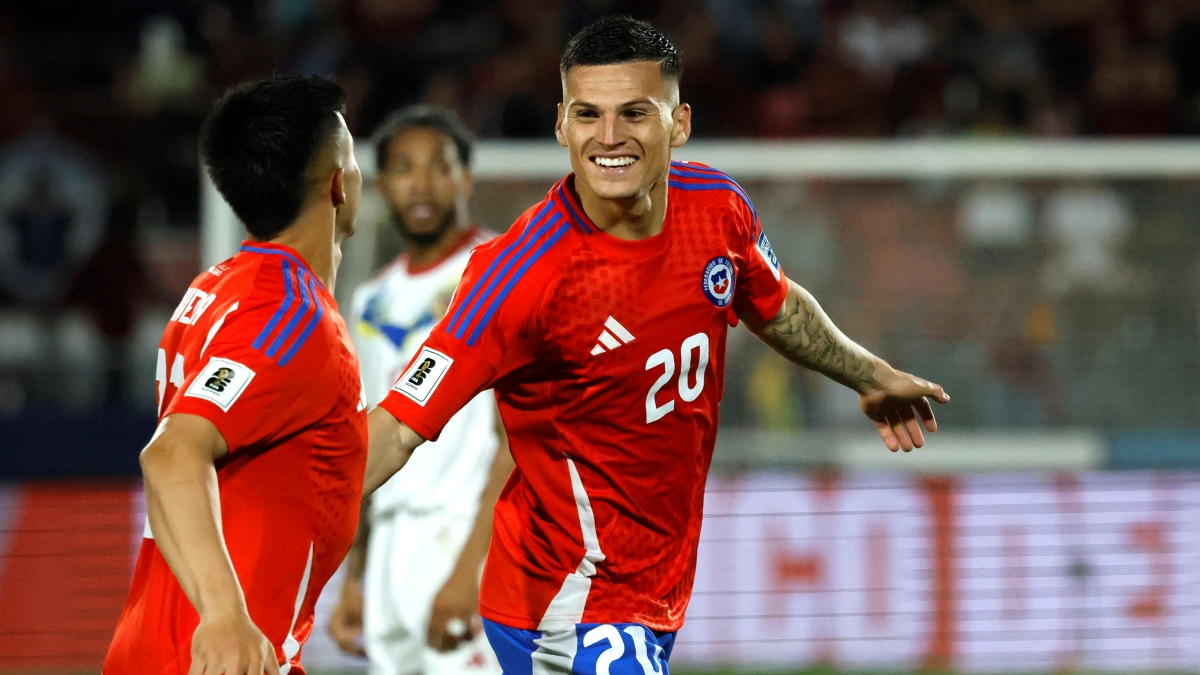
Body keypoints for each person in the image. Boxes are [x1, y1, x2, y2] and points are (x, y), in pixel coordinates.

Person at [358, 16, 949, 674]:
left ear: (679, 123)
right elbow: (397, 427)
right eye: (588, 114)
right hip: (567, 601)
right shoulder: (520, 275)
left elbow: (776, 306)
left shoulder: (717, 208)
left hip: (653, 588)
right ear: (561, 125)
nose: (608, 138)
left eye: (634, 113)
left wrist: (869, 373)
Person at [104, 75, 365, 675]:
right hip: (214, 655)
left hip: (169, 645)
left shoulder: (218, 288)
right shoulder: (289, 317)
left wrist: (434, 392)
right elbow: (172, 456)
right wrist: (224, 616)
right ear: (336, 185)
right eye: (351, 161)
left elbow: (314, 462)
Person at [328, 105, 511, 674]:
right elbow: (365, 440)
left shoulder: (503, 272)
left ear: (466, 179)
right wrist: (355, 577)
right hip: (388, 549)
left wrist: (469, 570)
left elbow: (519, 437)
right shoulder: (368, 301)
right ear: (382, 186)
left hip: (466, 536)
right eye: (405, 168)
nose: (422, 182)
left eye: (440, 165)